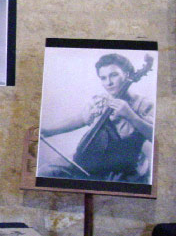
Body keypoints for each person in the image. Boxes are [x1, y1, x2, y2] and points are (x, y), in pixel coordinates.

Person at [39, 53, 154, 182]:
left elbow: (155, 136)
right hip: (93, 159)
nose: (108, 83)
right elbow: (80, 119)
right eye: (103, 78)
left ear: (127, 74)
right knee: (46, 171)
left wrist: (130, 115)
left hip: (124, 167)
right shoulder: (101, 100)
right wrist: (47, 131)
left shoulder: (143, 104)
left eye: (114, 75)